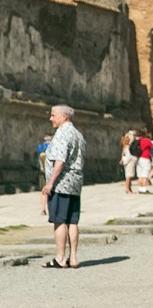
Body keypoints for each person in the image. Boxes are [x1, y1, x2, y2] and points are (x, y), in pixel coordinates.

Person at [40, 105, 85, 269]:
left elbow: (60, 160)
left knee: (59, 221)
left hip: (61, 183)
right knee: (73, 221)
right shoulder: (78, 134)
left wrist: (50, 183)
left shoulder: (62, 134)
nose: (51, 119)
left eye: (53, 115)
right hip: (75, 182)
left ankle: (60, 258)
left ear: (64, 117)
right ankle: (73, 258)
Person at [135, 129, 153, 194]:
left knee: (140, 175)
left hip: (138, 158)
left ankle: (140, 188)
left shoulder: (137, 141)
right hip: (145, 157)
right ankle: (144, 189)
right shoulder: (146, 140)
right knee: (145, 174)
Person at [119, 130, 137, 195]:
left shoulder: (125, 147)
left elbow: (123, 154)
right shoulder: (127, 147)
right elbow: (127, 155)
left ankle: (129, 188)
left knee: (129, 176)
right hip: (129, 162)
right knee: (128, 176)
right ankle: (127, 189)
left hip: (128, 162)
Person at [37, 134, 51, 215]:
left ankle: (43, 209)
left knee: (43, 191)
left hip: (42, 172)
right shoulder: (53, 147)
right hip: (52, 173)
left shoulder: (41, 148)